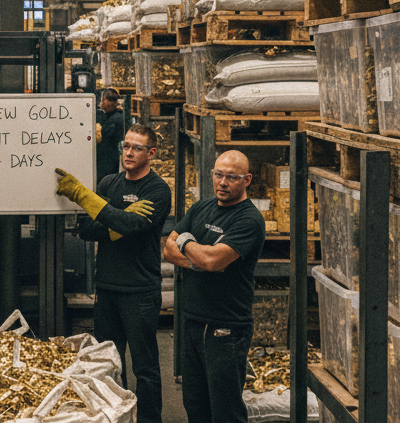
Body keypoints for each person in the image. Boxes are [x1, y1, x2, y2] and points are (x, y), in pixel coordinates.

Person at [54, 124, 172, 423]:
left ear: (151, 153)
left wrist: (94, 204)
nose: (129, 153)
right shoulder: (109, 183)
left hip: (140, 291)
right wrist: (119, 223)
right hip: (107, 288)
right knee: (108, 364)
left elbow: (132, 226)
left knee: (145, 368)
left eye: (137, 148)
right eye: (126, 146)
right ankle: (116, 417)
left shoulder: (157, 190)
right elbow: (87, 230)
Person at [162, 150, 266, 423]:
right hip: (193, 321)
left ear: (247, 180)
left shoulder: (249, 220)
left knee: (226, 411)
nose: (223, 182)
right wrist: (198, 260)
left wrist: (186, 242)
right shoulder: (201, 207)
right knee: (195, 405)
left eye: (232, 177)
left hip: (226, 328)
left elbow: (212, 258)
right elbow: (168, 250)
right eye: (218, 175)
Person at [96, 88, 124, 185]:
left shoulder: (116, 119)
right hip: (106, 161)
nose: (102, 104)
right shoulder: (112, 116)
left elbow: (101, 134)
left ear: (113, 103)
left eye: (104, 100)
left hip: (108, 162)